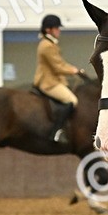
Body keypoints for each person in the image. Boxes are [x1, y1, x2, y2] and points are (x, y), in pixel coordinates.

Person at [33, 14, 80, 144]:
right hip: (49, 82)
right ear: (48, 30)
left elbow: (60, 63)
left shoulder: (50, 43)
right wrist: (73, 71)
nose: (59, 30)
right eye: (56, 28)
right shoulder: (47, 45)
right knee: (72, 100)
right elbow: (57, 67)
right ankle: (56, 131)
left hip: (54, 80)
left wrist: (74, 69)